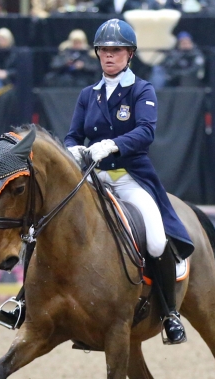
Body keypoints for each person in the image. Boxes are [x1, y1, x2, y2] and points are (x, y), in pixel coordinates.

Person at [64, 19, 195, 344]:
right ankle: (26, 302)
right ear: (97, 54)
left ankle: (169, 314)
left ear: (130, 54)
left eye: (117, 50)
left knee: (154, 239)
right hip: (92, 180)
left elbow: (146, 131)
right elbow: (71, 135)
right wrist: (73, 150)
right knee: (51, 224)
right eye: (104, 50)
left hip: (128, 178)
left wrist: (113, 144)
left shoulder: (141, 90)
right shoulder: (87, 95)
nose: (110, 56)